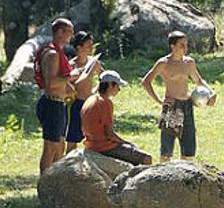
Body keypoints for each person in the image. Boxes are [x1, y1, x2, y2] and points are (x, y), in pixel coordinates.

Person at [142, 30, 216, 162]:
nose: (185, 48)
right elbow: (146, 82)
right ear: (173, 46)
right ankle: (163, 176)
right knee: (167, 150)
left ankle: (186, 177)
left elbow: (198, 80)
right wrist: (160, 101)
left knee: (189, 148)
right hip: (172, 106)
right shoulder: (163, 63)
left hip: (187, 104)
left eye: (186, 45)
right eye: (182, 45)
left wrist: (211, 92)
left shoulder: (189, 63)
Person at [81, 70, 152, 166]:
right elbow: (110, 134)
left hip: (90, 144)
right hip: (103, 147)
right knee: (146, 158)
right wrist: (127, 142)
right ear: (110, 85)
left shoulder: (90, 99)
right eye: (117, 86)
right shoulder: (105, 102)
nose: (119, 90)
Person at [34, 18, 74, 174]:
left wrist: (68, 86)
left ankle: (55, 183)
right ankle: (44, 183)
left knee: (60, 147)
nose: (72, 35)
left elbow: (60, 79)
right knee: (50, 148)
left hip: (60, 104)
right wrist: (71, 77)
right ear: (60, 32)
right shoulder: (52, 54)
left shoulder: (59, 52)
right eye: (69, 32)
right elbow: (51, 84)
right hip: (52, 104)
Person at [65, 31, 103, 154]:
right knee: (72, 138)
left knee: (93, 136)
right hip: (75, 104)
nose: (92, 48)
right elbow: (64, 84)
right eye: (88, 46)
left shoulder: (93, 62)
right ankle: (68, 165)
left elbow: (103, 77)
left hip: (90, 104)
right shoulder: (71, 65)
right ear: (79, 47)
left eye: (92, 45)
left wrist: (95, 91)